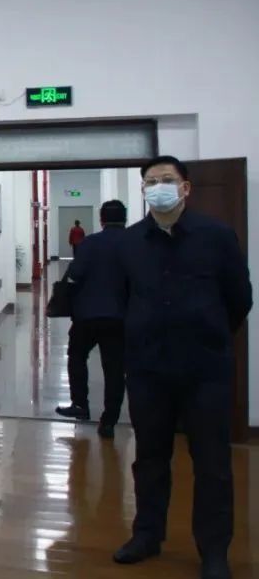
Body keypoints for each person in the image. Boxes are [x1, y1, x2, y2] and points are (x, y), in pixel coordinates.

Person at [112, 156, 251, 579]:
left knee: (212, 463)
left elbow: (239, 298)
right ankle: (147, 534)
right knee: (150, 458)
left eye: (167, 179)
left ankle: (214, 551)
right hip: (148, 369)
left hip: (204, 370)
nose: (159, 187)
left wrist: (207, 333)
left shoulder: (217, 236)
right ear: (143, 191)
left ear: (186, 188)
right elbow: (121, 300)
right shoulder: (129, 242)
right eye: (151, 181)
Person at [55, 200, 128, 439]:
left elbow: (75, 274)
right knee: (114, 368)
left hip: (87, 315)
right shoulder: (135, 243)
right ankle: (109, 420)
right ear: (125, 219)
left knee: (77, 356)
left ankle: (80, 405)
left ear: (101, 220)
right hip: (119, 317)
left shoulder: (91, 243)